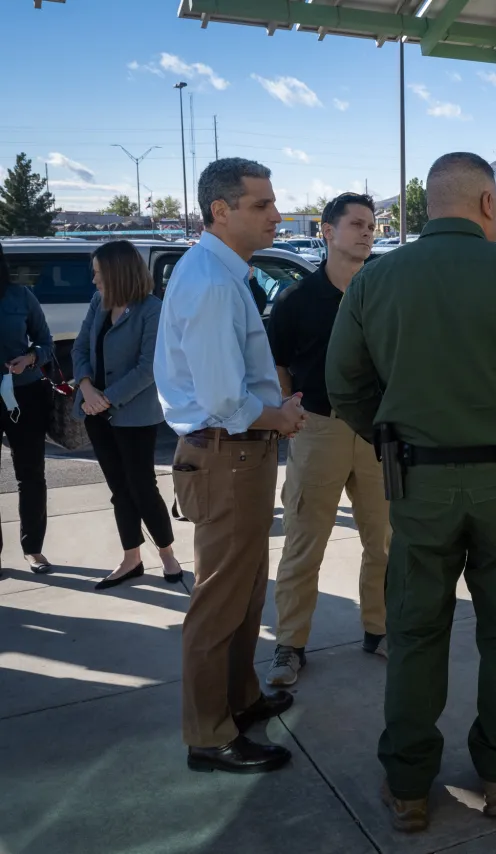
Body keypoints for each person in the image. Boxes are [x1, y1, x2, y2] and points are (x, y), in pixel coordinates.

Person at [326, 152, 496, 833]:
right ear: (486, 206)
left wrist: (391, 429)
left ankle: (411, 787)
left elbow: (343, 386)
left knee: (416, 632)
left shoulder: (376, 280)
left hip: (417, 481)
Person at [155, 158, 308, 774]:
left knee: (245, 587)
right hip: (226, 452)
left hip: (235, 452)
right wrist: (279, 417)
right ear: (221, 211)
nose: (276, 215)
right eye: (261, 205)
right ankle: (208, 733)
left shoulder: (220, 272)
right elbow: (224, 398)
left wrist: (272, 410)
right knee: (221, 598)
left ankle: (238, 699)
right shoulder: (216, 283)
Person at [266, 193, 388, 687]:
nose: (366, 232)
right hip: (318, 428)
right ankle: (289, 645)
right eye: (356, 224)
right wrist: (288, 406)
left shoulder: (382, 291)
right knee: (304, 542)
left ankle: (379, 631)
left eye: (371, 225)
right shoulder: (297, 300)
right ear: (327, 231)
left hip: (376, 431)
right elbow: (276, 360)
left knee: (383, 541)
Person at [71, 240, 183, 590]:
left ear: (118, 273)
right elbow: (79, 348)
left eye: (99, 274)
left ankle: (167, 553)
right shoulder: (98, 303)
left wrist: (106, 399)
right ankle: (131, 558)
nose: (94, 281)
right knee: (119, 489)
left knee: (141, 487)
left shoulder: (152, 309)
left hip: (133, 415)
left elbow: (148, 366)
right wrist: (87, 388)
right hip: (96, 411)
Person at [0, 242, 55, 575]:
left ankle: (33, 548)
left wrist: (31, 358)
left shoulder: (20, 297)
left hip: (25, 395)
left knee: (31, 475)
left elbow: (47, 343)